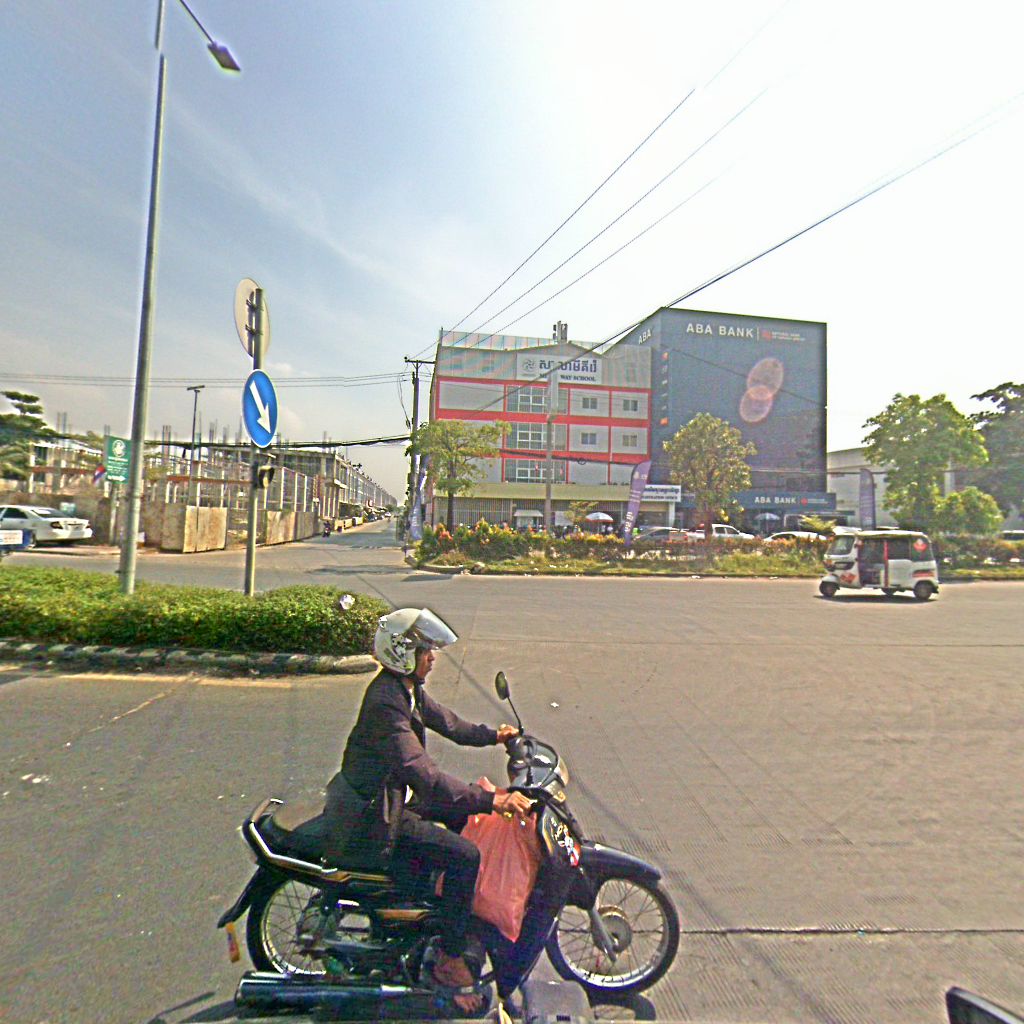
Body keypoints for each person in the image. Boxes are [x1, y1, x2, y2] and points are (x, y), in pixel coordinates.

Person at [326, 607, 530, 1011]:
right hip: (378, 816)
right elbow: (424, 775)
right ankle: (451, 960)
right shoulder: (386, 702)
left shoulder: (405, 689)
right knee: (466, 855)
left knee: (463, 816)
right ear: (403, 653)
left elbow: (449, 724)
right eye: (425, 652)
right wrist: (492, 799)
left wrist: (494, 735)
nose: (432, 659)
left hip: (392, 797)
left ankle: (444, 909)